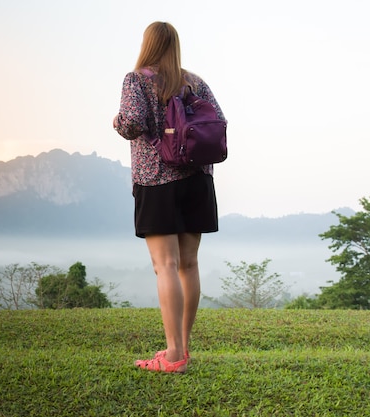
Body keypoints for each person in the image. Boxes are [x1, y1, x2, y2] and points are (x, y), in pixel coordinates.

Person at [113, 21, 226, 373]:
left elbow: (131, 122)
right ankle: (183, 349)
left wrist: (116, 121)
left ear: (148, 44)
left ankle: (173, 354)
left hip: (157, 180)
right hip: (197, 180)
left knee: (166, 266)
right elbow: (219, 121)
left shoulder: (138, 79)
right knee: (189, 265)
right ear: (174, 45)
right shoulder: (195, 81)